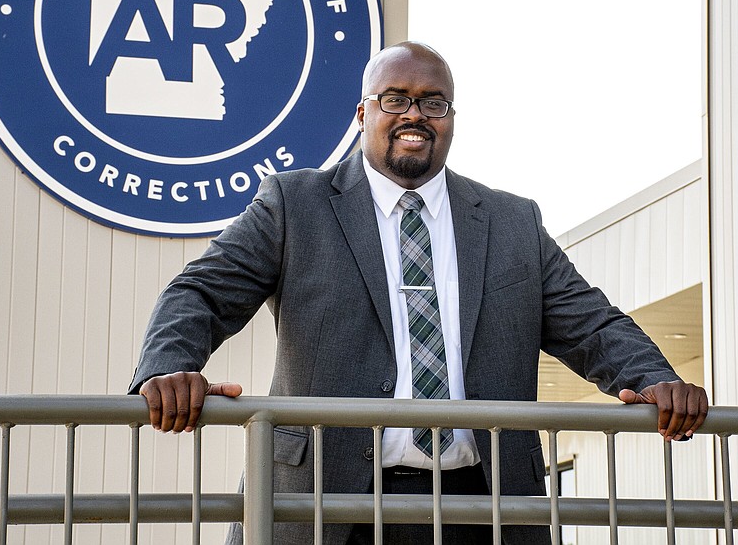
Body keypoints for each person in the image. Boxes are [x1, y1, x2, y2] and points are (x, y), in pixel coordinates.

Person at [129, 41, 709, 545]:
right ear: (363, 114)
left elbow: (591, 323)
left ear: (451, 117)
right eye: (395, 99)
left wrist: (656, 377)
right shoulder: (292, 205)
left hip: (483, 508)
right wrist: (170, 367)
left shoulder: (511, 223)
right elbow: (200, 291)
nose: (416, 114)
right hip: (323, 506)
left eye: (434, 102)